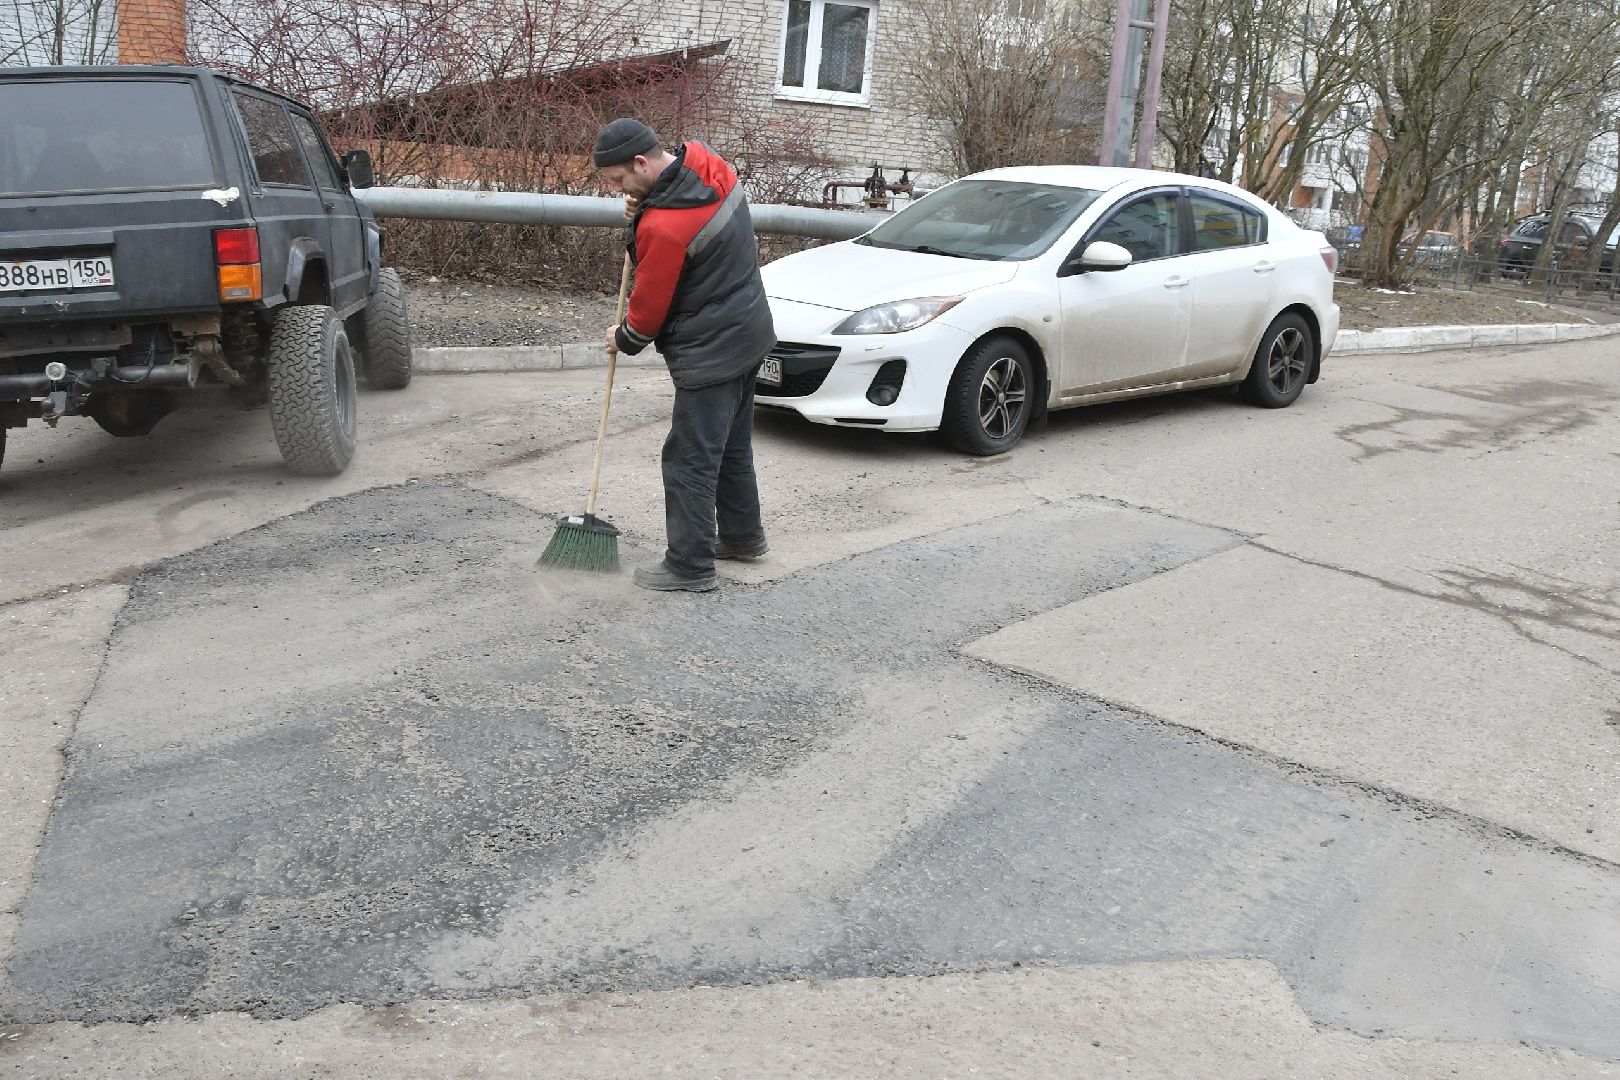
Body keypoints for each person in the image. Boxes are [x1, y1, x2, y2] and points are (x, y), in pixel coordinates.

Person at [594, 118, 775, 593]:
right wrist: (644, 204)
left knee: (689, 459)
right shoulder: (711, 166)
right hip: (750, 331)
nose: (619, 191)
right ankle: (742, 537)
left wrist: (625, 336)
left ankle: (689, 566)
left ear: (640, 162)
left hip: (711, 349)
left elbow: (650, 308)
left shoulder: (665, 224)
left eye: (619, 181)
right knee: (731, 446)